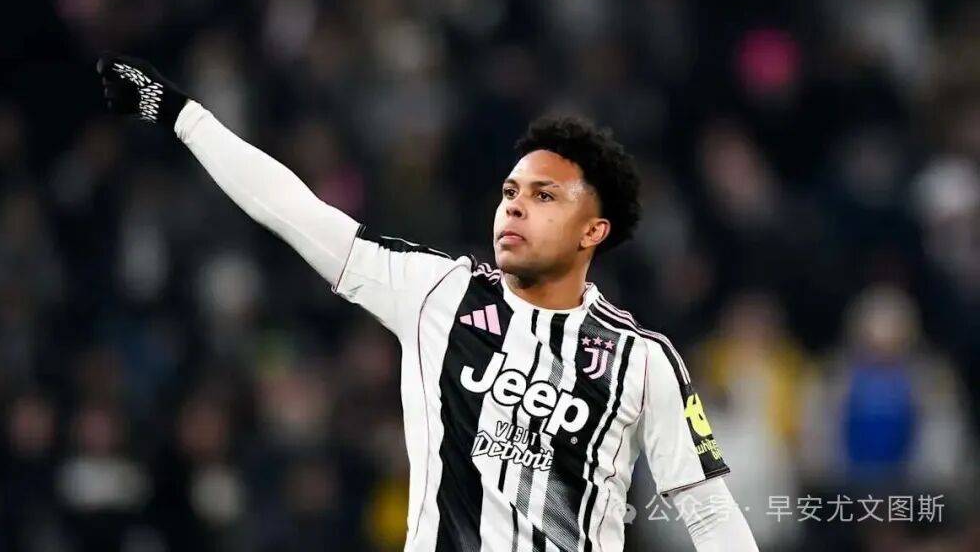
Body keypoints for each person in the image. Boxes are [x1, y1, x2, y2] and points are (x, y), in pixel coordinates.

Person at [96, 53, 759, 551]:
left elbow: (708, 513)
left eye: (544, 196)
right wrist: (183, 114)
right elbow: (295, 211)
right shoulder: (437, 292)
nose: (515, 207)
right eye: (511, 193)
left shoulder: (640, 361)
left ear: (593, 232)